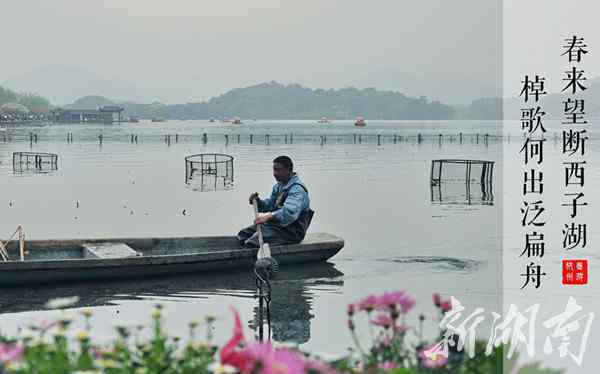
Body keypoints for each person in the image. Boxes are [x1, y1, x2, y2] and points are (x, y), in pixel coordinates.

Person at [237, 156, 314, 248]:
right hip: (277, 227)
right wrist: (257, 202)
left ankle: (250, 254)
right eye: (274, 170)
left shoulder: (297, 190)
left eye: (278, 170)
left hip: (292, 232)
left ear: (288, 170)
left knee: (255, 240)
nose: (275, 174)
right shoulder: (278, 186)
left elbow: (290, 212)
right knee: (243, 234)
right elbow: (270, 206)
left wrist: (269, 216)